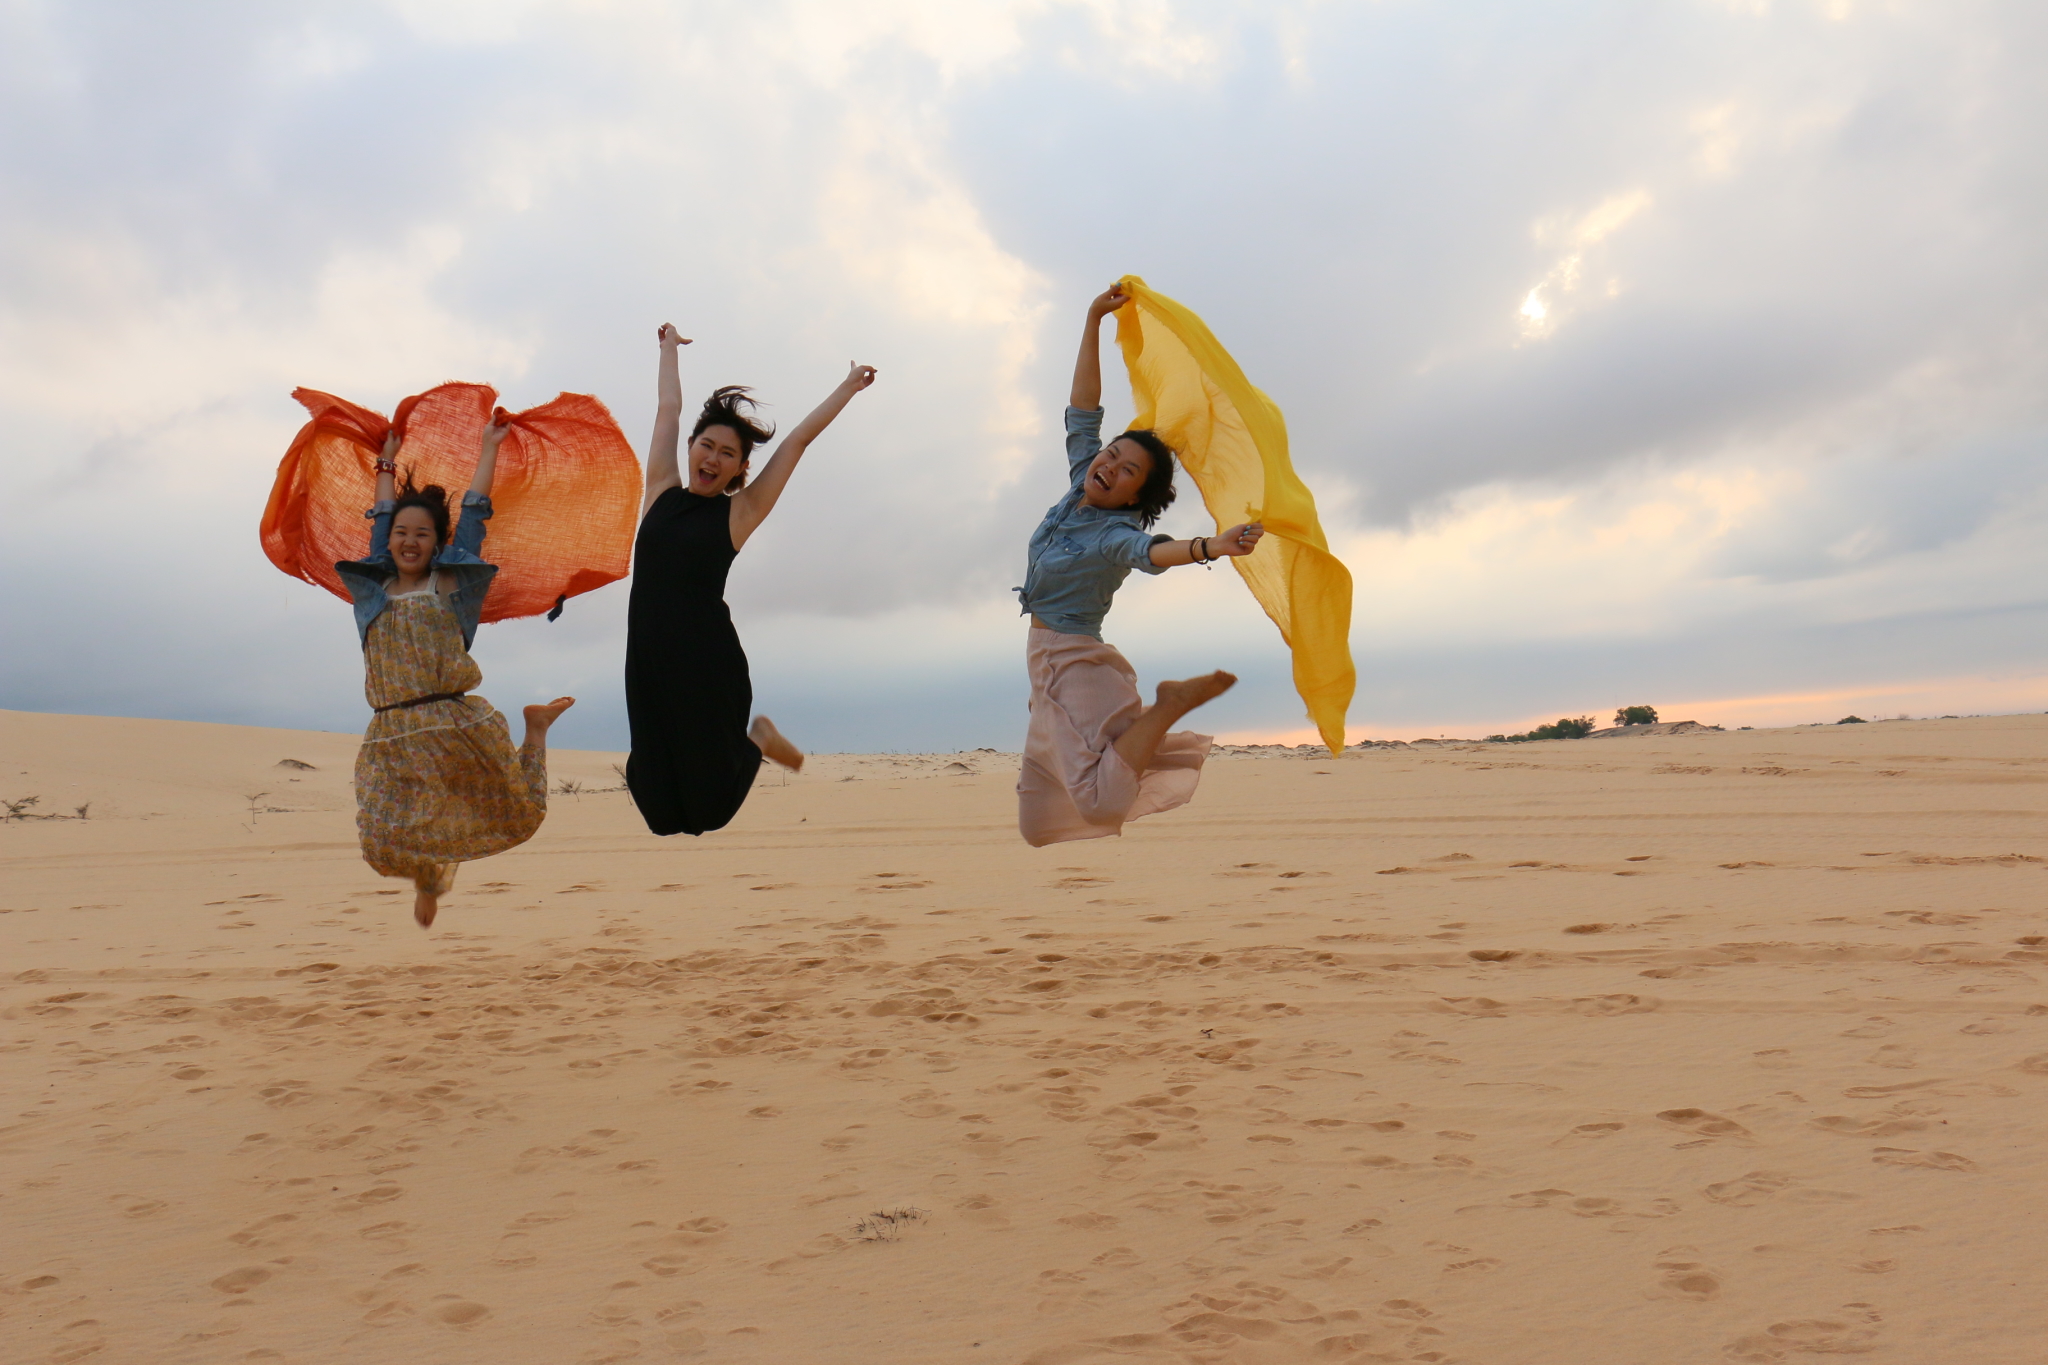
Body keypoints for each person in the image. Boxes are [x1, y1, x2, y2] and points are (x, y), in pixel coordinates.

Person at [1015, 283, 1265, 847]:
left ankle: (1169, 704)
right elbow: (1082, 411)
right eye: (1112, 455)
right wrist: (1092, 322)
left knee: (1103, 807)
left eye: (1128, 471)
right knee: (1037, 824)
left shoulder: (1115, 533)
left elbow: (1153, 554)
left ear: (1134, 498)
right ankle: (1143, 727)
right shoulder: (1083, 481)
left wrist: (1211, 547)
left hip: (1074, 665)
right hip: (1042, 664)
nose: (1110, 466)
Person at [625, 324, 877, 836]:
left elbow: (797, 442)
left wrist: (847, 387)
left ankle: (757, 740)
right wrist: (668, 349)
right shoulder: (659, 491)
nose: (712, 458)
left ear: (739, 469)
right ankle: (740, 749)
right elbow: (667, 410)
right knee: (660, 814)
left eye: (727, 454)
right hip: (647, 663)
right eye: (707, 445)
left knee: (708, 814)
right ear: (692, 446)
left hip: (706, 665)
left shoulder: (738, 514)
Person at [337, 413, 574, 927]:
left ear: (438, 542)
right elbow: (381, 516)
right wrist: (386, 463)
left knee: (514, 813)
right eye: (401, 532)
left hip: (450, 724)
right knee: (379, 838)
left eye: (422, 533)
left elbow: (474, 515)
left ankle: (535, 730)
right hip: (391, 730)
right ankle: (429, 880)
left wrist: (489, 447)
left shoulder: (448, 585)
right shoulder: (374, 589)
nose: (408, 541)